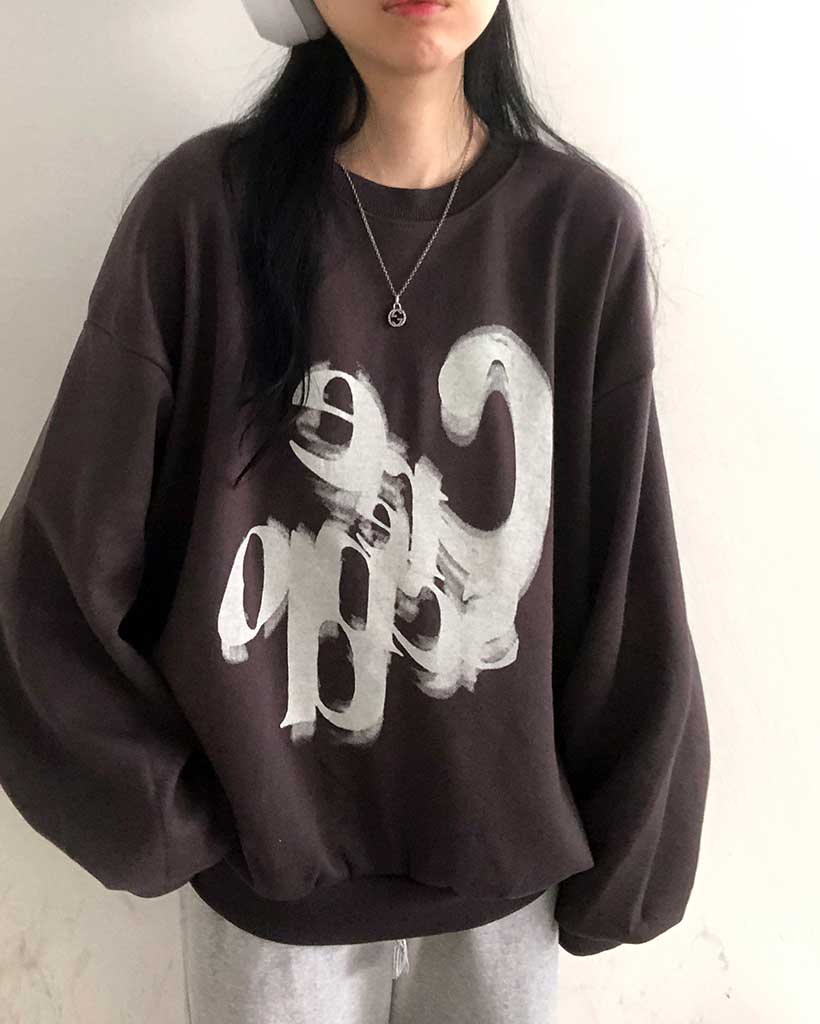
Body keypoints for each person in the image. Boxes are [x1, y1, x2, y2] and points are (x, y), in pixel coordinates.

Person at [0, 1, 711, 1021]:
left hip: (503, 899)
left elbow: (627, 578)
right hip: (264, 910)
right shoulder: (200, 217)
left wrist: (631, 857)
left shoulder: (579, 233)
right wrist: (164, 815)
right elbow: (51, 583)